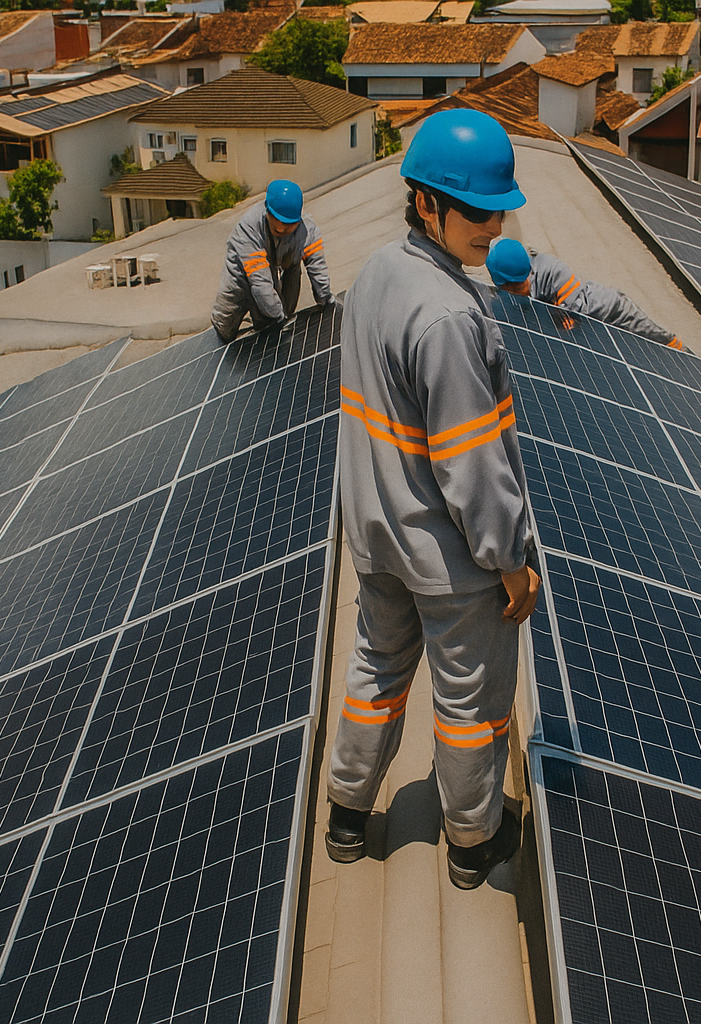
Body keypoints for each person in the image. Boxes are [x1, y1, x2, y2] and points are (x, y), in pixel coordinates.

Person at [327, 109, 540, 891]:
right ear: (427, 203)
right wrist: (509, 561)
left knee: (376, 669)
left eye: (500, 209)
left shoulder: (376, 273)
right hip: (448, 560)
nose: (495, 225)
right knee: (470, 704)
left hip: (376, 535)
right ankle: (473, 842)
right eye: (477, 210)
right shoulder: (448, 314)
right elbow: (472, 466)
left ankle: (347, 813)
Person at [486, 237, 684, 350]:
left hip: (610, 310)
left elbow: (570, 320)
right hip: (591, 327)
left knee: (655, 337)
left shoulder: (553, 269)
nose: (517, 292)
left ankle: (685, 353)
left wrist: (554, 319)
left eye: (520, 286)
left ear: (529, 272)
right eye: (510, 289)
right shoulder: (504, 290)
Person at [210, 178, 333, 342]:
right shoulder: (248, 229)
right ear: (267, 211)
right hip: (239, 278)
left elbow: (317, 268)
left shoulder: (308, 231)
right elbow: (260, 283)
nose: (281, 229)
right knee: (224, 326)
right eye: (277, 224)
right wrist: (278, 317)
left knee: (268, 328)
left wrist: (326, 300)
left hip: (270, 270)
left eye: (288, 226)